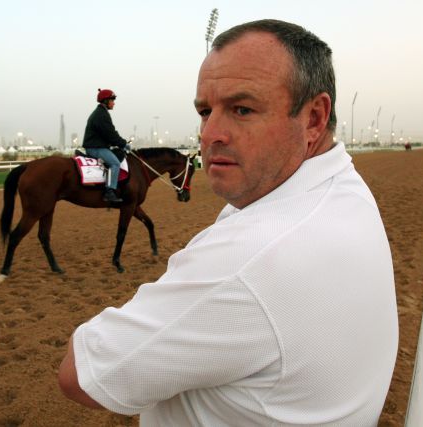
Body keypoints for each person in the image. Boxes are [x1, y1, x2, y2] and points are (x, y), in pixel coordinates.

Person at [59, 19, 398, 426]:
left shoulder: (248, 259)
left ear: (313, 118)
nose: (211, 133)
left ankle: (115, 188)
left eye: (242, 109)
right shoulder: (345, 187)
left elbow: (78, 377)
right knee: (113, 162)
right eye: (205, 111)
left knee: (118, 165)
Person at [83, 88, 129, 203]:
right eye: (112, 100)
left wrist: (121, 143)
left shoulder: (101, 113)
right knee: (115, 163)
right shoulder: (101, 115)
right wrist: (123, 144)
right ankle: (109, 192)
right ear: (105, 101)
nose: (114, 103)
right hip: (95, 148)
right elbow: (110, 134)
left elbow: (111, 133)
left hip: (98, 146)